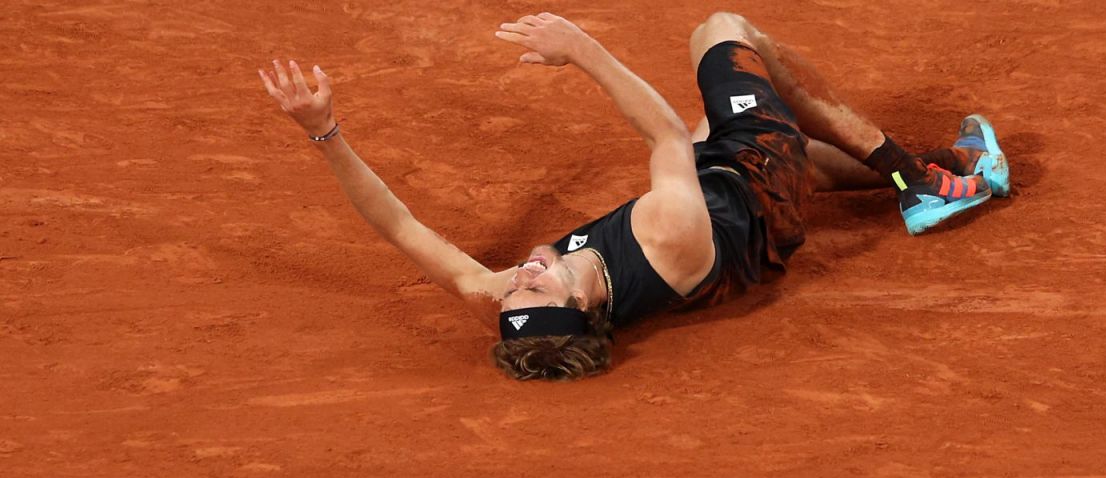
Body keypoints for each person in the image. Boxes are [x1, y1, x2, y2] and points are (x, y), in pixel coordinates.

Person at [258, 12, 1010, 381]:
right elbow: (663, 139)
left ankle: (942, 163)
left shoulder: (518, 303)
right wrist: (580, 47)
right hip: (753, 182)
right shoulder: (665, 235)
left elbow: (399, 227)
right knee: (723, 35)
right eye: (538, 279)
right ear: (584, 306)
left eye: (515, 284)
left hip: (737, 216)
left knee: (796, 152)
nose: (522, 269)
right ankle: (921, 182)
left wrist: (324, 133)